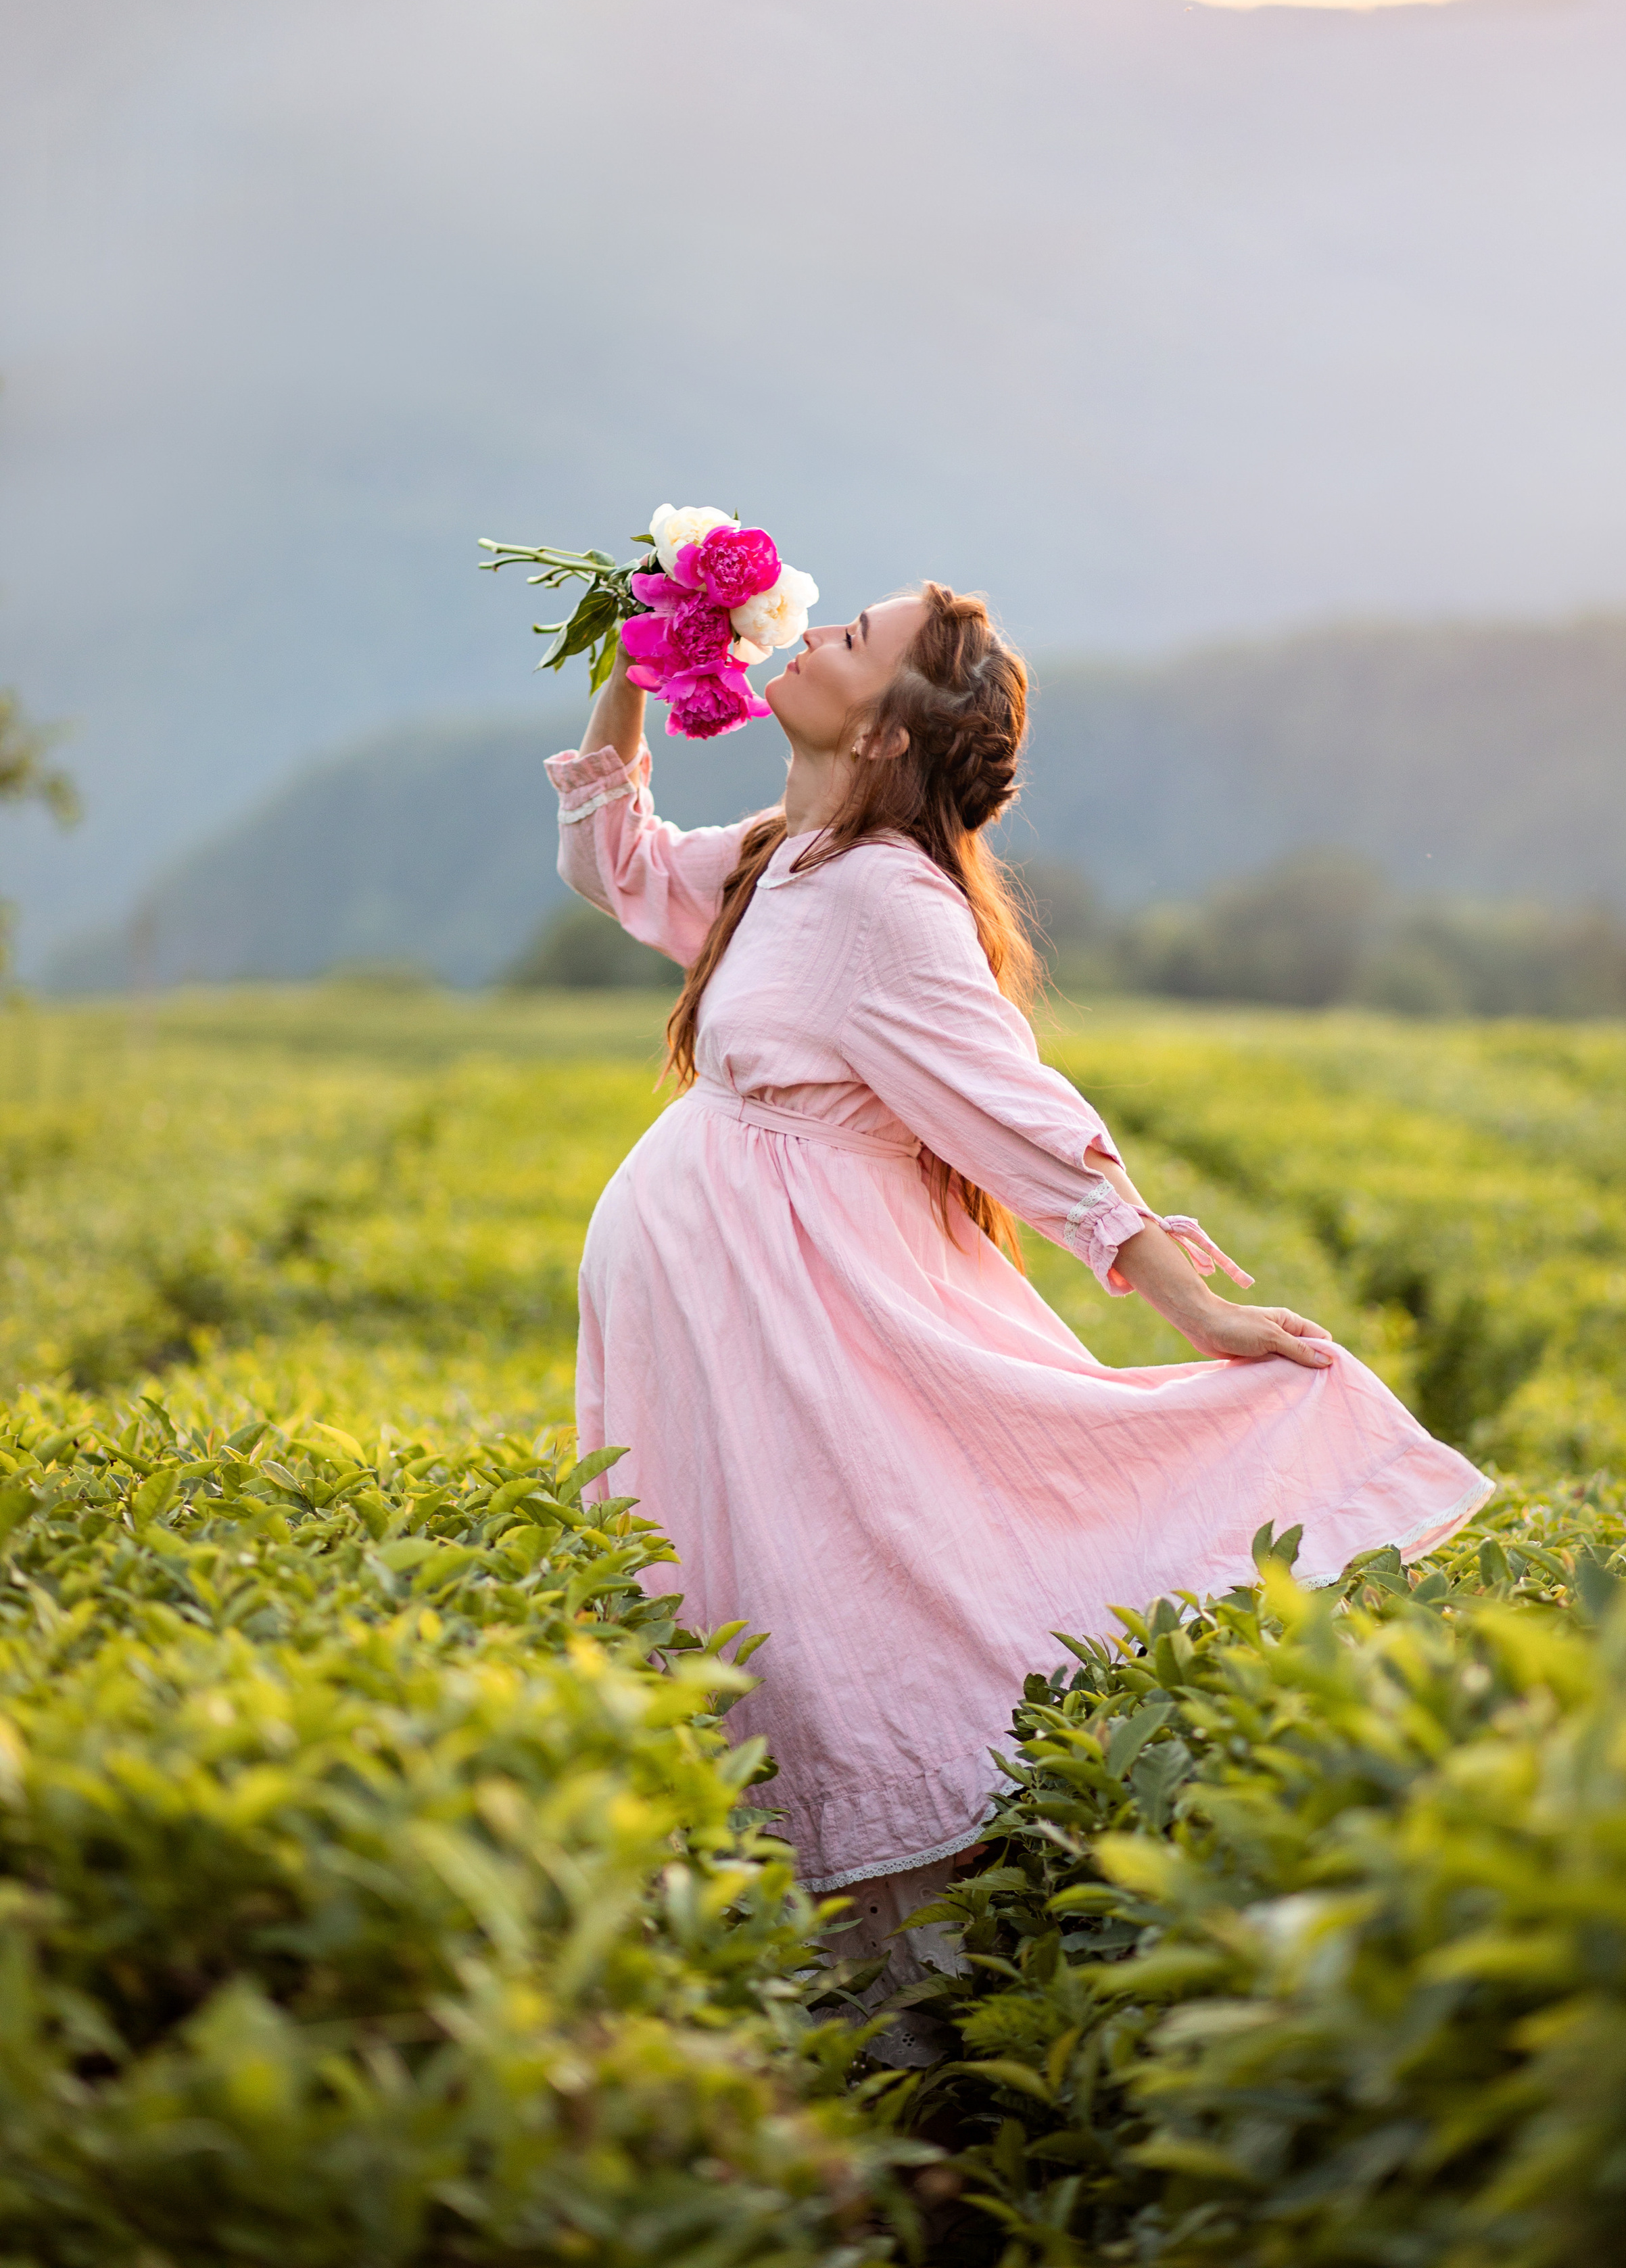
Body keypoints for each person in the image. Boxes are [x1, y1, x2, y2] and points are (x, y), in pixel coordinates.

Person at [546, 582, 1491, 1946]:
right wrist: (633, 668)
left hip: (801, 1342)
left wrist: (1185, 1298)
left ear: (881, 737)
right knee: (742, 1630)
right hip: (726, 1337)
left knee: (828, 1645)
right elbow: (612, 867)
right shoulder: (783, 855)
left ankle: (889, 2039)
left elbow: (1022, 1116)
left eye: (847, 642)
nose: (804, 636)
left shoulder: (881, 897)